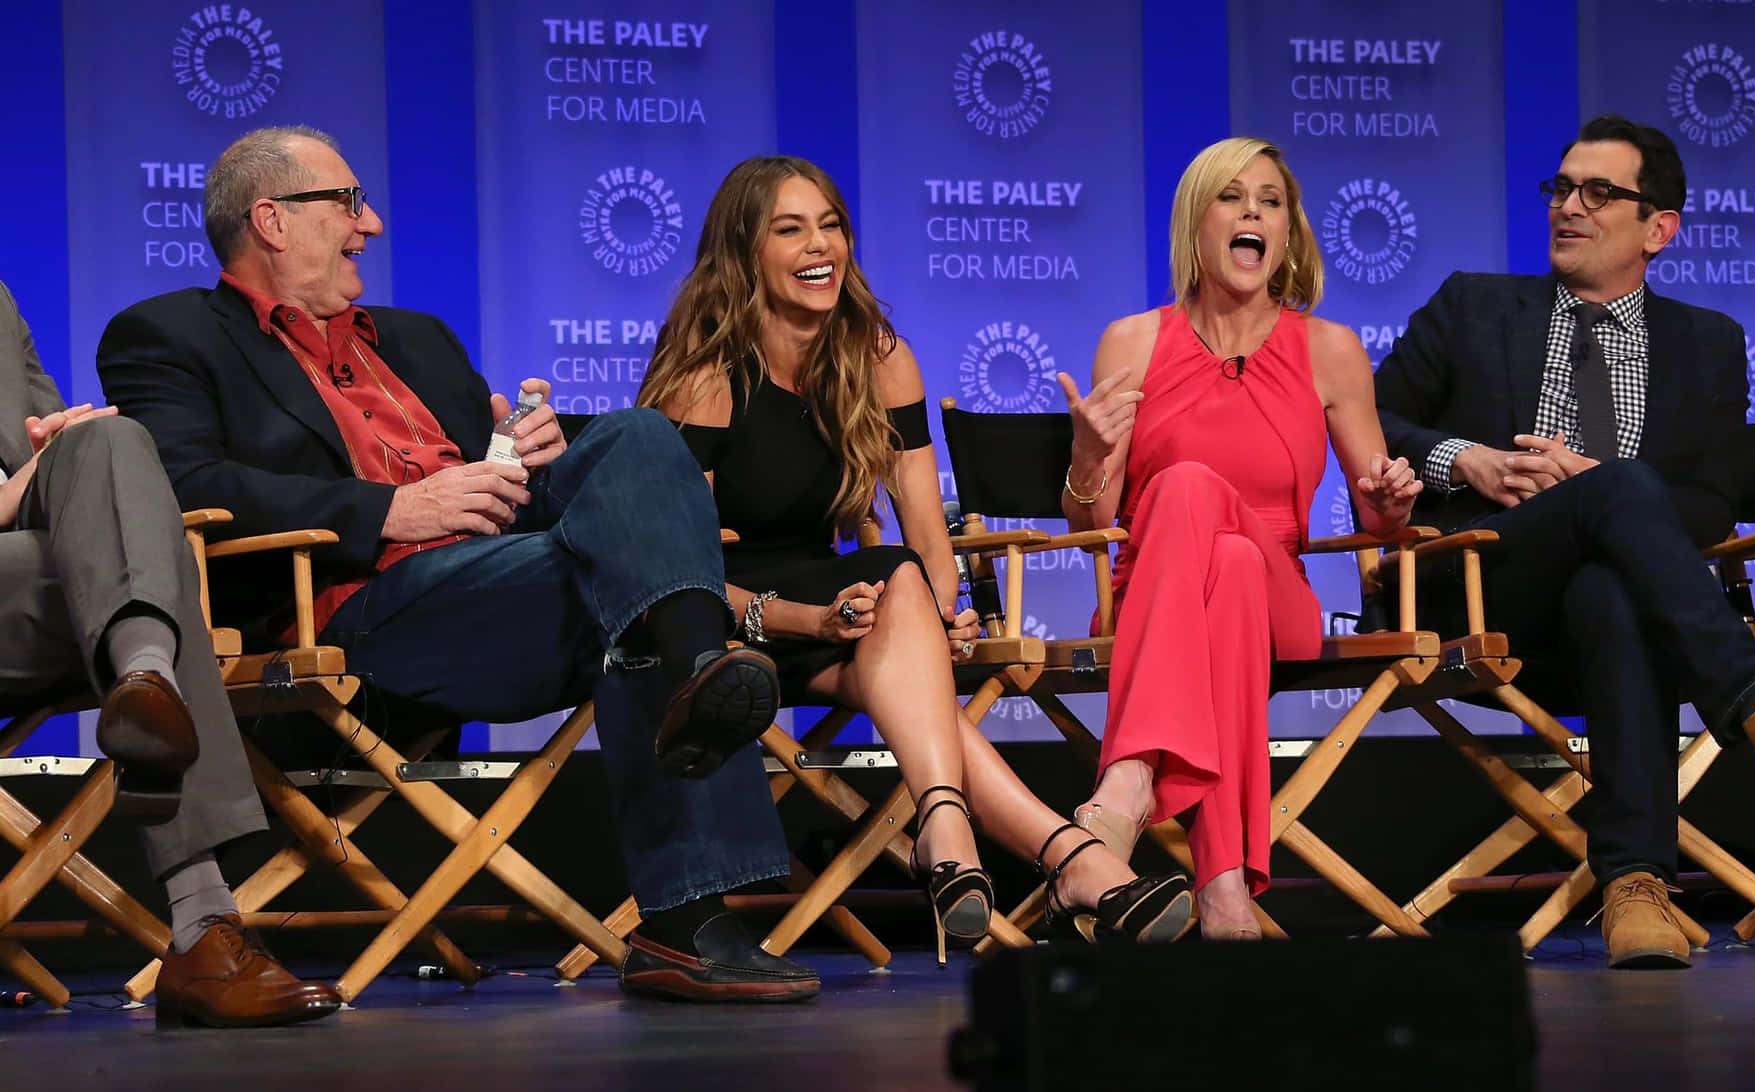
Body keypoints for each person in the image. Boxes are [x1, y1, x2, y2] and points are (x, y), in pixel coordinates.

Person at [95, 126, 818, 1003]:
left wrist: (535, 459)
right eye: (350, 203)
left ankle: (700, 666)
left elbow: (497, 479)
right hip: (364, 605)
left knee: (636, 435)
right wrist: (391, 510)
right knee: (637, 592)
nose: (375, 225)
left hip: (503, 579)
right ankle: (688, 921)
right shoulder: (168, 335)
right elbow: (177, 482)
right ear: (272, 220)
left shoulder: (416, 338)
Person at [1372, 114, 1755, 967]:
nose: (1568, 207)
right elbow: (1369, 423)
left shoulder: (1707, 343)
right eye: (1561, 187)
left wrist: (1603, 487)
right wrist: (1465, 460)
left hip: (1627, 609)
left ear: (1659, 228)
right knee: (1620, 489)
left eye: (1598, 192)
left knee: (1612, 579)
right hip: (1485, 587)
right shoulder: (1471, 303)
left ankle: (1635, 890)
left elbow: (1709, 502)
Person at [636, 155, 1193, 958]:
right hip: (718, 628)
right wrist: (801, 616)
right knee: (895, 606)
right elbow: (669, 567)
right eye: (789, 229)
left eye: (830, 224)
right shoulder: (705, 377)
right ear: (742, 252)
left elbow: (925, 529)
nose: (819, 244)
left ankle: (962, 830)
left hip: (839, 615)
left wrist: (944, 609)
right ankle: (1066, 857)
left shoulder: (876, 354)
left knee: (903, 588)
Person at [1057, 137, 1422, 941]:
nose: (1253, 211)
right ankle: (1225, 886)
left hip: (1281, 604)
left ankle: (1127, 779)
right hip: (1149, 603)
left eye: (1272, 200)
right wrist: (1088, 452)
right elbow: (1092, 526)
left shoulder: (1330, 351)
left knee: (1198, 501)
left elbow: (1376, 517)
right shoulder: (1133, 342)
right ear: (1198, 222)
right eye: (1232, 197)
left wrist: (1390, 502)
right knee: (1219, 562)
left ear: (1288, 232)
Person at [0, 279, 339, 1026]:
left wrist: (52, 453)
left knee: (112, 444)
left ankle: (145, 682)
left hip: (34, 576)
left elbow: (53, 459)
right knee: (148, 568)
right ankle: (202, 930)